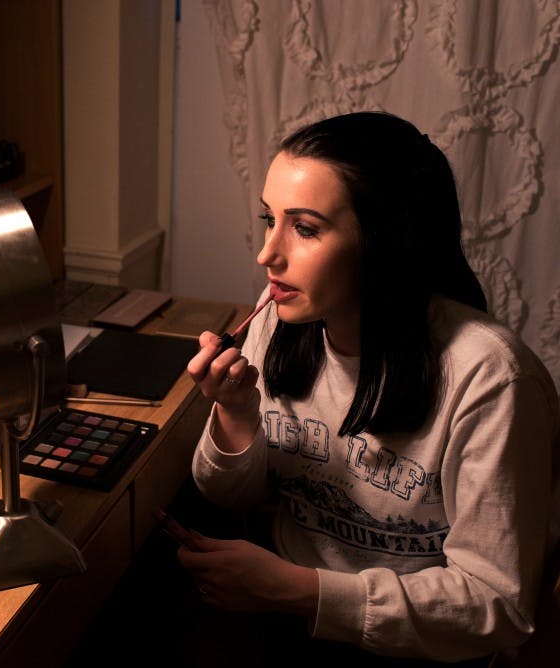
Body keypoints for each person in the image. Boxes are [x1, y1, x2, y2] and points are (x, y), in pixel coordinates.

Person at [177, 111, 559, 665]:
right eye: (269, 219)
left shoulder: (491, 378)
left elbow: (498, 604)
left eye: (305, 228)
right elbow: (230, 496)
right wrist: (236, 416)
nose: (267, 254)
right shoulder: (274, 327)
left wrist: (298, 589)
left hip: (421, 651)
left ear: (384, 243)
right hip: (289, 623)